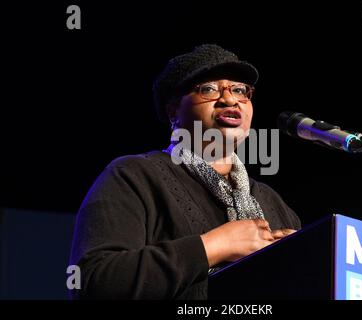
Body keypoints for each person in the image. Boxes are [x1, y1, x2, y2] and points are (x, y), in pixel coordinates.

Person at [69, 44, 301, 299]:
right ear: (173, 112)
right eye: (209, 89)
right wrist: (213, 246)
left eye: (239, 90)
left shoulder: (274, 204)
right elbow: (91, 283)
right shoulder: (134, 176)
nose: (229, 99)